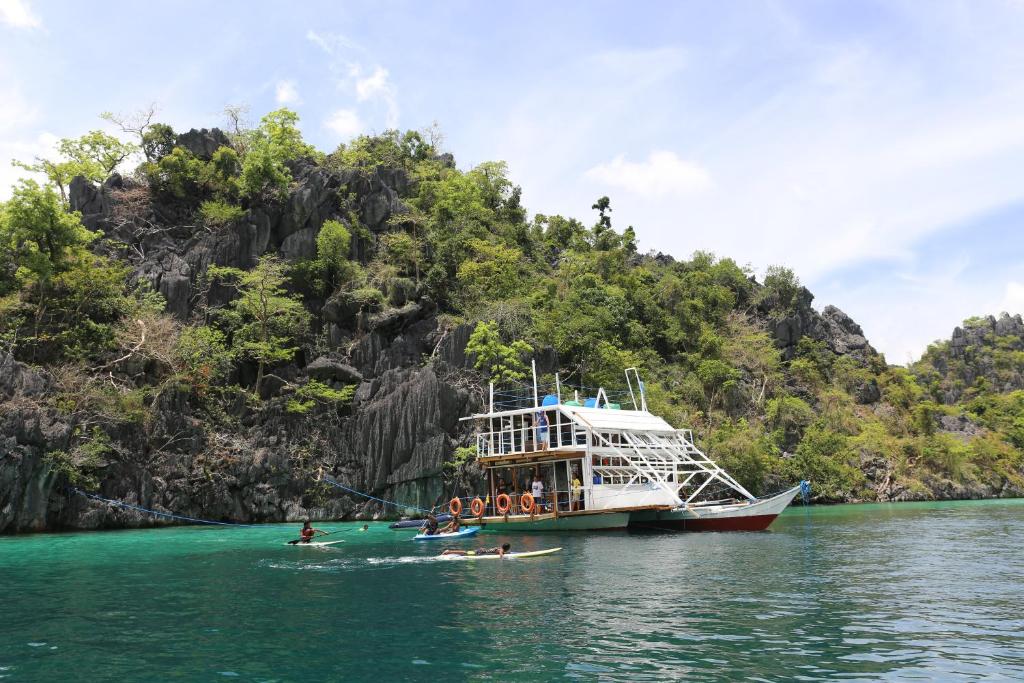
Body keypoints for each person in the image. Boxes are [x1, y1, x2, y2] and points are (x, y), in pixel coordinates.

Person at [441, 543, 511, 558]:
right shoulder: (501, 550)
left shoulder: (500, 548)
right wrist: (503, 559)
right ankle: (448, 551)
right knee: (466, 553)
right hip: (481, 552)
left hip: (482, 550)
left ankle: (449, 551)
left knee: (465, 552)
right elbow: (501, 555)